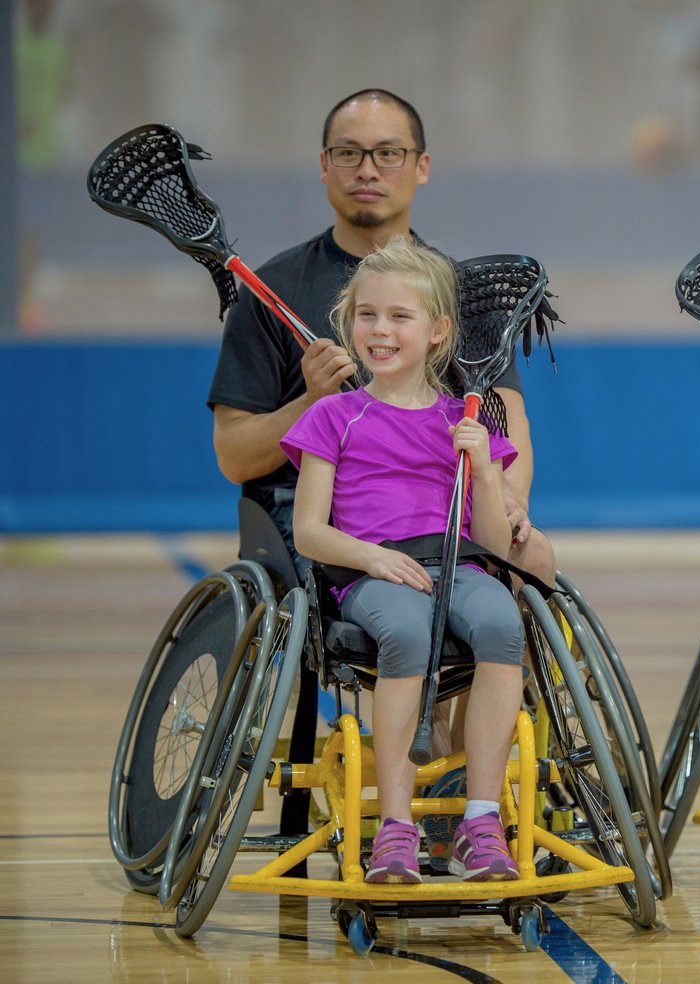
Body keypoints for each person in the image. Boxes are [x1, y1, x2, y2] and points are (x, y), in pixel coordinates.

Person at [206, 87, 554, 584]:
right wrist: (312, 401)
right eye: (348, 153)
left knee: (532, 558)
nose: (367, 170)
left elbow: (508, 420)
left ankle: (509, 665)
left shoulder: (461, 295)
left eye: (388, 153)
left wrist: (510, 500)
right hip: (320, 515)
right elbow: (233, 456)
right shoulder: (270, 291)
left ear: (422, 166)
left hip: (438, 504)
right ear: (325, 166)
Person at [282, 238, 524, 882]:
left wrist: (486, 474)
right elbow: (308, 531)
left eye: (399, 317)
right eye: (367, 315)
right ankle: (394, 827)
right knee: (409, 633)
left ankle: (479, 821)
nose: (380, 330)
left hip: (458, 565)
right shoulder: (334, 415)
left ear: (439, 331)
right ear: (348, 320)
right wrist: (373, 558)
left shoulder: (465, 421)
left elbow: (496, 548)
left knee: (504, 622)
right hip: (371, 572)